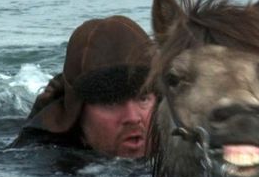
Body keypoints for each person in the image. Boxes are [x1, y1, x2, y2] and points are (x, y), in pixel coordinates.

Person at [11, 15, 156, 158]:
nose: (132, 117)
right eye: (111, 102)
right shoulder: (44, 162)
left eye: (143, 98)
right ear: (77, 115)